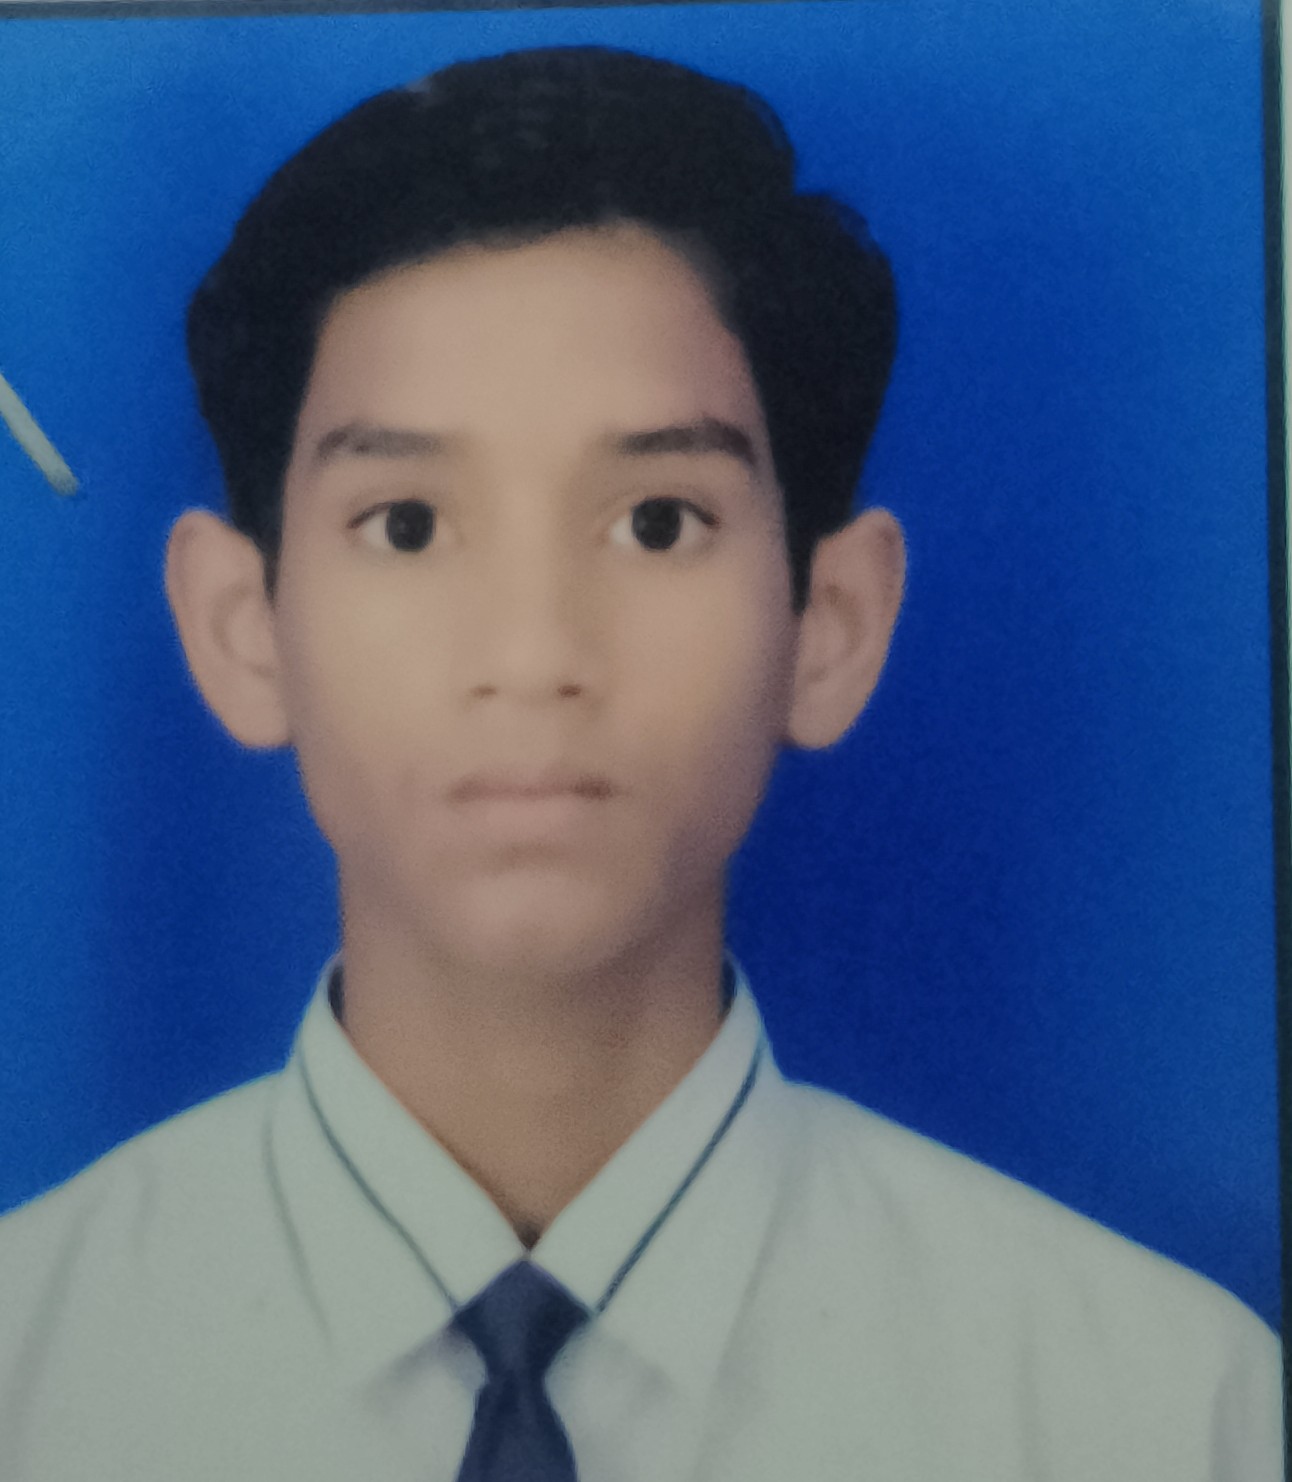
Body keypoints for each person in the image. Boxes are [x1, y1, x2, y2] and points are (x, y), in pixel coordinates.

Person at [0, 45, 1279, 1482]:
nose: (534, 651)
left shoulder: (1168, 1413)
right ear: (242, 629)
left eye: (657, 521)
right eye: (407, 524)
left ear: (830, 625)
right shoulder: (28, 1376)